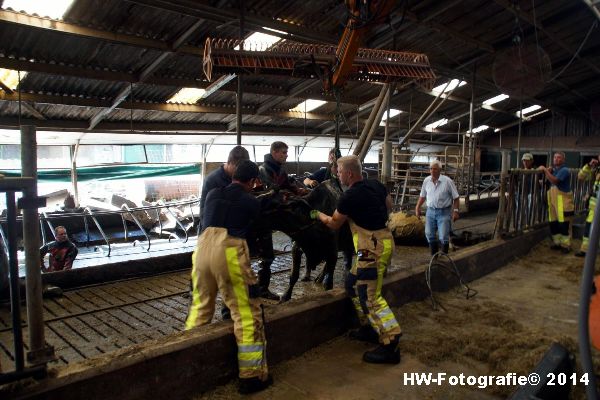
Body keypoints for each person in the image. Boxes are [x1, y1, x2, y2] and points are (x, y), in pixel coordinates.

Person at [185, 160, 272, 394]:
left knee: (200, 308)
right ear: (254, 182)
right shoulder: (251, 201)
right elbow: (258, 225)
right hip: (229, 250)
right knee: (245, 312)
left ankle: (185, 365)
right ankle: (252, 376)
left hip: (201, 249)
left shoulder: (214, 192)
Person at [311, 155, 402, 364]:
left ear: (349, 173)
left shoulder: (348, 197)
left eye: (339, 171)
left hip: (372, 248)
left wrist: (318, 215)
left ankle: (391, 341)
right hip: (382, 241)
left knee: (369, 295)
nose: (337, 174)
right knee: (352, 283)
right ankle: (369, 326)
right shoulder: (376, 185)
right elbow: (388, 204)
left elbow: (334, 223)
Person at [198, 145, 250, 319]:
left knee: (230, 279)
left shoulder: (237, 179)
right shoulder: (213, 181)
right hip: (214, 235)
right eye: (238, 169)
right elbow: (204, 212)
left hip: (231, 237)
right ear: (230, 163)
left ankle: (227, 313)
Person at [256, 141, 306, 300]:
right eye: (283, 152)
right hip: (264, 215)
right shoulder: (264, 170)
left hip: (276, 213)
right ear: (274, 152)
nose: (286, 155)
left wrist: (299, 191)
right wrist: (284, 195)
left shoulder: (279, 170)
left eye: (286, 152)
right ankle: (261, 288)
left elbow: (288, 185)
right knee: (267, 256)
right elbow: (272, 191)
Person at [415, 160, 460, 255]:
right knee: (429, 234)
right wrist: (417, 207)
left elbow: (456, 197)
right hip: (430, 211)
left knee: (443, 236)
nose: (432, 171)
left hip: (444, 212)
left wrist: (455, 211)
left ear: (440, 170)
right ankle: (434, 257)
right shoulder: (426, 181)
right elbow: (422, 196)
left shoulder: (447, 181)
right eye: (431, 169)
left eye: (435, 169)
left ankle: (444, 257)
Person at [199, 145, 250, 219]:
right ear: (229, 162)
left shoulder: (240, 176)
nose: (239, 172)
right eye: (236, 168)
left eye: (242, 169)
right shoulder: (211, 180)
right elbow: (203, 214)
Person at [539, 151, 574, 253]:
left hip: (561, 202)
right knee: (553, 223)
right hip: (553, 203)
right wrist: (548, 170)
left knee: (564, 224)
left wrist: (545, 170)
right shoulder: (553, 170)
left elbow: (554, 181)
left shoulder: (564, 170)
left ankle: (566, 245)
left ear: (563, 160)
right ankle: (557, 243)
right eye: (555, 157)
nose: (556, 159)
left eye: (559, 158)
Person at [576, 155, 600, 257]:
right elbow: (581, 177)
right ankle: (585, 250)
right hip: (594, 206)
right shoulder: (596, 169)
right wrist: (589, 166)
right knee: (589, 227)